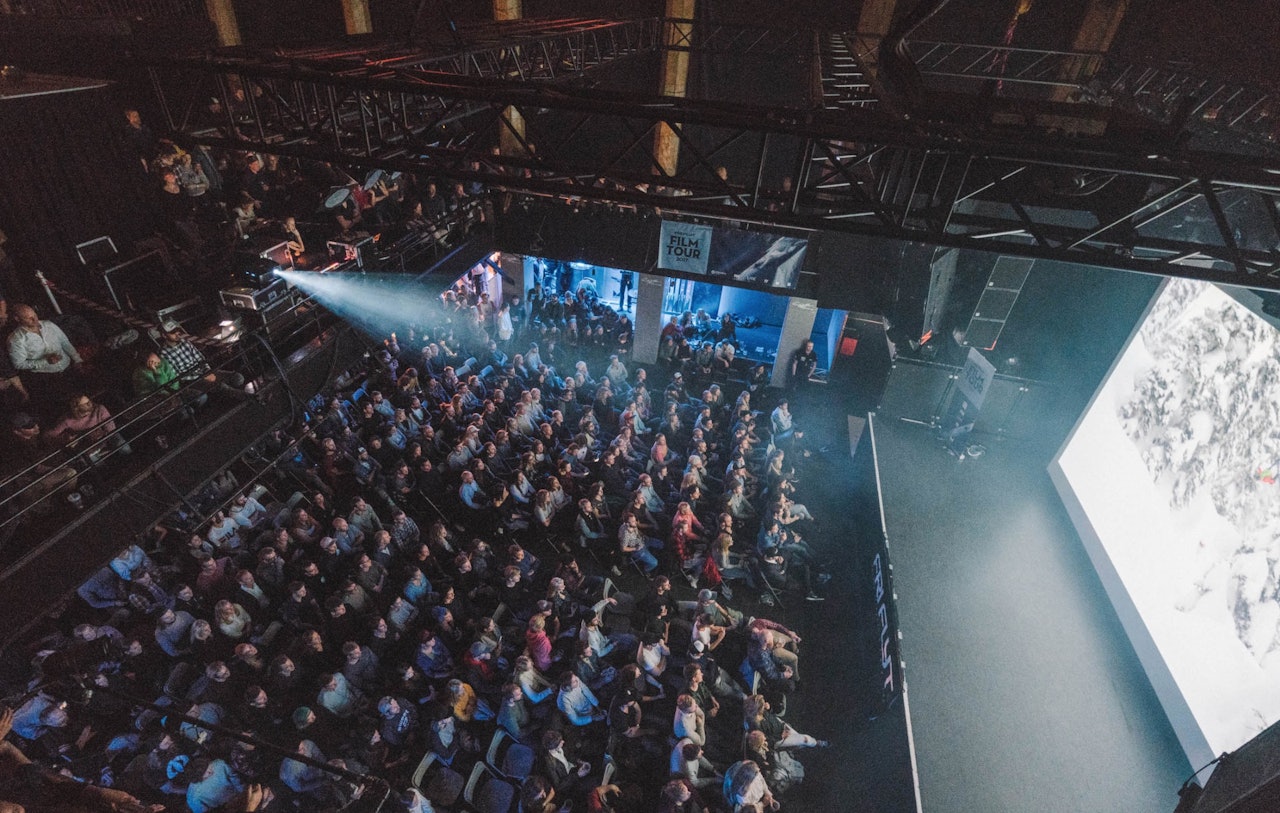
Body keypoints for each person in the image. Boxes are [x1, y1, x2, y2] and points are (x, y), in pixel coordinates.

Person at [7, 303, 85, 406]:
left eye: (35, 315)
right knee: (62, 404)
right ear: (17, 319)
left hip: (68, 369)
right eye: (29, 318)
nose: (35, 320)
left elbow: (65, 342)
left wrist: (77, 359)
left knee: (81, 398)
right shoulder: (16, 340)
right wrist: (45, 361)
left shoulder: (49, 325)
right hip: (47, 378)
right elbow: (18, 364)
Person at [159, 319, 248, 400]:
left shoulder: (185, 342)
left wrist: (208, 371)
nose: (177, 334)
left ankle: (232, 396)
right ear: (164, 335)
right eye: (173, 332)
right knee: (221, 386)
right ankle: (246, 397)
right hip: (192, 380)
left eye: (177, 330)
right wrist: (203, 376)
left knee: (237, 377)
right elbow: (179, 375)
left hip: (204, 371)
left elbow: (200, 357)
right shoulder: (163, 354)